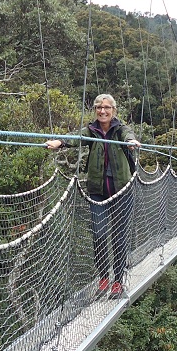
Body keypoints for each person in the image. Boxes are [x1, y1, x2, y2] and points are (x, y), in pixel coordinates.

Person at [45, 94, 140, 298]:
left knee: (118, 237)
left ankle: (117, 282)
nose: (102, 111)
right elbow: (76, 137)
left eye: (106, 107)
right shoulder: (92, 130)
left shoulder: (120, 129)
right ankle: (104, 277)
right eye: (98, 107)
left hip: (121, 190)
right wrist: (59, 142)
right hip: (97, 191)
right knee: (98, 233)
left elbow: (128, 135)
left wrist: (131, 142)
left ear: (113, 110)